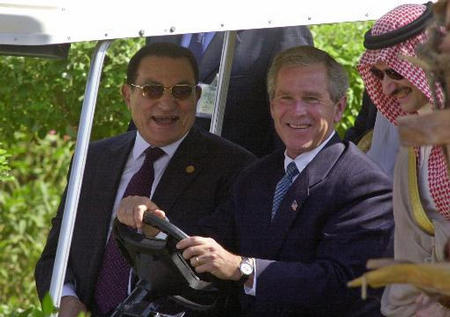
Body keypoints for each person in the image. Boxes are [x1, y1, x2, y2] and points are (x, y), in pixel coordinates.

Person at [118, 45, 394, 316]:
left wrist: (242, 268)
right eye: (285, 98)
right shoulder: (256, 176)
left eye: (311, 99)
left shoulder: (364, 185)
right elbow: (209, 239)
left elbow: (343, 282)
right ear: (272, 106)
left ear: (339, 107)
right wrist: (156, 225)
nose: (297, 111)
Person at [34, 42, 256, 316]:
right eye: (152, 90)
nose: (166, 103)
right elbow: (55, 255)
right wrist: (66, 300)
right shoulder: (93, 159)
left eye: (181, 91)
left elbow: (221, 276)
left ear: (197, 96)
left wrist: (158, 230)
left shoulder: (234, 167)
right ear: (127, 95)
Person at [357, 3, 450, 315]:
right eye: (378, 74)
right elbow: (409, 243)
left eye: (396, 72)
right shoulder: (415, 136)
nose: (386, 86)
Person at [144, 27, 314, 157]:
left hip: (238, 180)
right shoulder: (162, 21)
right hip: (159, 170)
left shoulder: (280, 25)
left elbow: (294, 111)